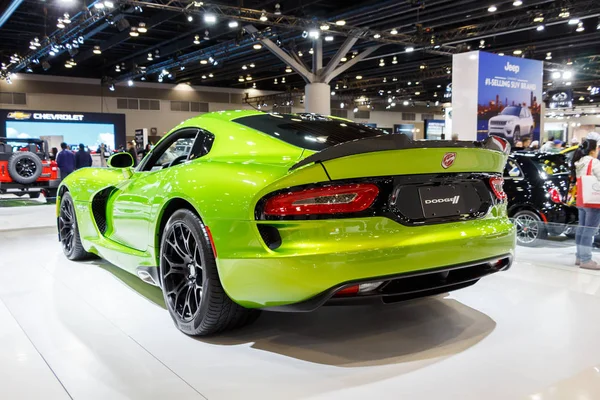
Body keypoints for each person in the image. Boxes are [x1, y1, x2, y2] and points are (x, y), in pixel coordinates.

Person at [572, 139, 600, 270]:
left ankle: (579, 256)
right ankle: (586, 259)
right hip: (593, 201)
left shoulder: (579, 162)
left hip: (581, 199)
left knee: (582, 228)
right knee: (590, 230)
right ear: (593, 150)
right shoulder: (594, 162)